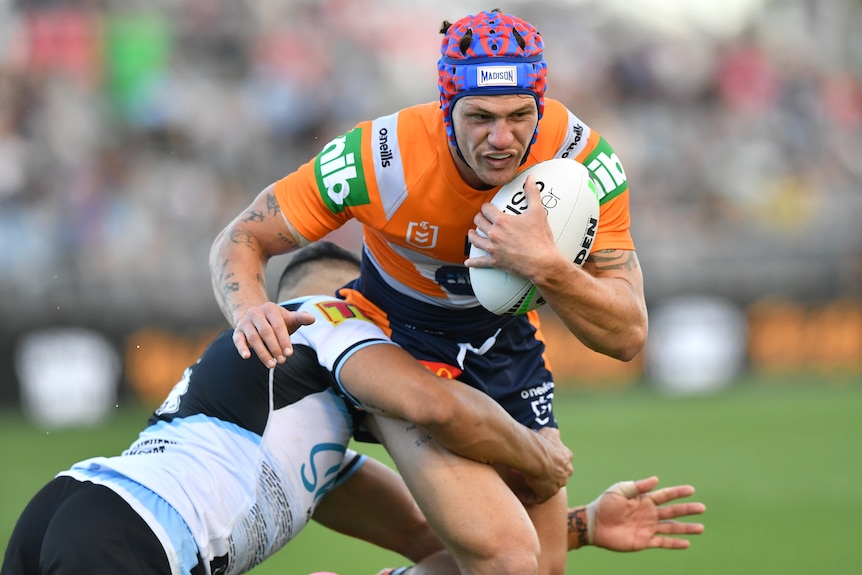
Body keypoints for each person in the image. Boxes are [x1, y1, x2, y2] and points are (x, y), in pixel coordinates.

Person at [209, 8, 647, 575]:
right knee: (508, 561)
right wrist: (249, 310)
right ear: (446, 109)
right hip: (400, 340)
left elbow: (628, 334)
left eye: (520, 116)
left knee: (541, 570)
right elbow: (242, 236)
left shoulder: (583, 161)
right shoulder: (380, 159)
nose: (502, 138)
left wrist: (545, 266)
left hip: (504, 344)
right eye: (480, 117)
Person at [2, 243, 702, 575]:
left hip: (79, 515)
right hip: (128, 538)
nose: (389, 315)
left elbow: (445, 545)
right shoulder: (324, 317)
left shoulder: (311, 446)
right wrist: (537, 454)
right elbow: (436, 406)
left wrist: (579, 526)